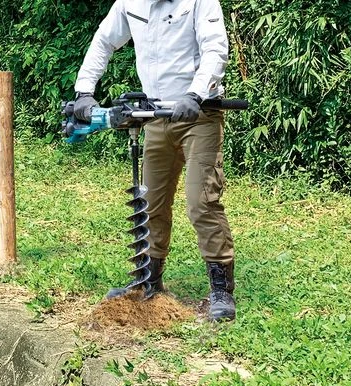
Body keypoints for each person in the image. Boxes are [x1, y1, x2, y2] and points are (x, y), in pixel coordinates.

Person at [72, 0, 237, 321]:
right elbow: (104, 40)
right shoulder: (130, 3)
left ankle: (221, 290)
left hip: (199, 115)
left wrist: (195, 93)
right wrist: (84, 90)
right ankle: (150, 280)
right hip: (156, 115)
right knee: (151, 202)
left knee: (201, 201)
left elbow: (215, 49)